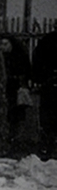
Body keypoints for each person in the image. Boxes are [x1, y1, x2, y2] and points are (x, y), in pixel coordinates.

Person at [33, 27, 57, 160]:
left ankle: (48, 147)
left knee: (48, 117)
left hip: (48, 84)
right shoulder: (47, 41)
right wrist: (41, 78)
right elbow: (38, 61)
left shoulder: (46, 40)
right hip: (49, 85)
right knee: (48, 117)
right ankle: (47, 147)